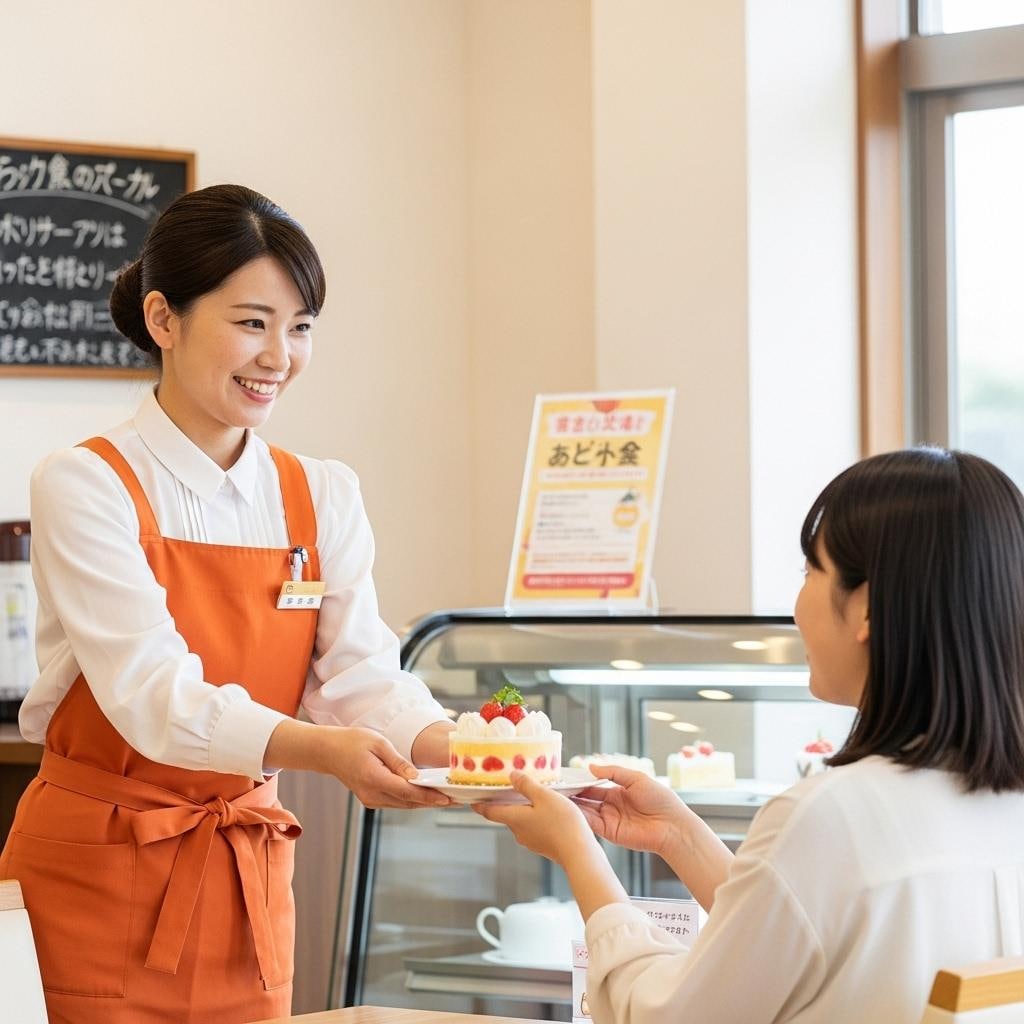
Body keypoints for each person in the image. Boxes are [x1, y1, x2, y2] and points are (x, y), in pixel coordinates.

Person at [0, 183, 454, 1024]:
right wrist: (326, 754)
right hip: (96, 876)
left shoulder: (324, 493)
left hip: (246, 879)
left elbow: (360, 677)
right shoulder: (86, 482)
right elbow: (151, 694)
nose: (278, 356)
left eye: (301, 327)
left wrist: (459, 751)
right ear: (164, 319)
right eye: (252, 322)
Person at [477, 447, 1024, 1023]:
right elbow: (803, 937)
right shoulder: (999, 806)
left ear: (865, 608)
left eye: (812, 569)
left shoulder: (831, 815)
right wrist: (680, 837)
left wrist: (577, 852)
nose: (797, 606)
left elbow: (668, 1019)